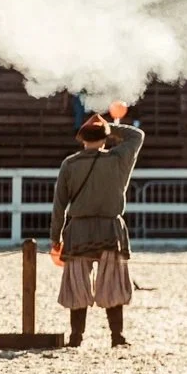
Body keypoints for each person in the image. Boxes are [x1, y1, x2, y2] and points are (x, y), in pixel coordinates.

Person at [50, 114, 145, 347]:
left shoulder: (70, 164)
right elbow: (136, 135)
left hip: (79, 230)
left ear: (81, 138)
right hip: (110, 228)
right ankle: (117, 336)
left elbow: (59, 205)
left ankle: (76, 338)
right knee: (112, 284)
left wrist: (55, 237)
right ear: (104, 139)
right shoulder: (118, 159)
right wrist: (108, 127)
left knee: (77, 285)